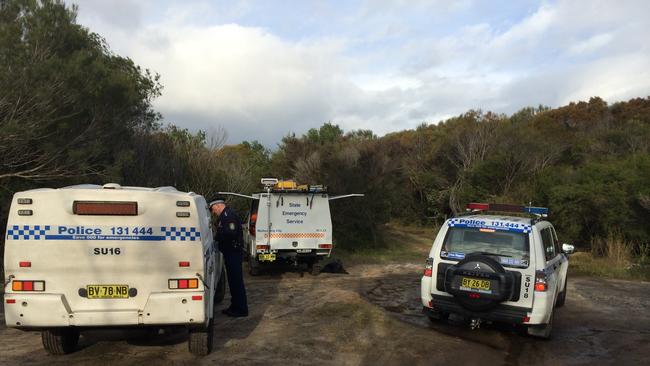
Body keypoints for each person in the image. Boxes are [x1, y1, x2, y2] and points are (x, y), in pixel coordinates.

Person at [209, 197, 248, 317]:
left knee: (236, 281)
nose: (213, 212)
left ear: (218, 205)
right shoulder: (224, 216)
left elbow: (230, 233)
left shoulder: (228, 216)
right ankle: (235, 305)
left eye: (213, 209)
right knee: (233, 281)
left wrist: (217, 238)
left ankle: (241, 309)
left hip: (233, 252)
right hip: (230, 252)